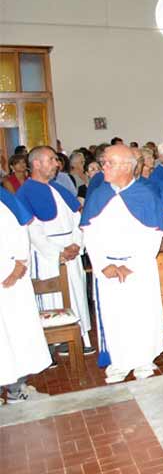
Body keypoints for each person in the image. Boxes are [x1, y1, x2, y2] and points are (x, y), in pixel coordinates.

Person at [80, 145, 163, 383]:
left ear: (127, 166)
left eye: (109, 163)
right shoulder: (99, 194)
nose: (103, 167)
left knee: (141, 314)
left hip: (138, 267)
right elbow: (89, 234)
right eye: (104, 162)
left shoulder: (145, 194)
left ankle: (142, 359)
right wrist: (102, 264)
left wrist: (133, 264)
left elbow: (153, 235)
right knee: (114, 316)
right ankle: (118, 362)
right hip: (107, 268)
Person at [17, 146, 93, 353]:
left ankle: (81, 336)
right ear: (36, 164)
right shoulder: (25, 193)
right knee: (53, 298)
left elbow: (78, 217)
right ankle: (56, 342)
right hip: (48, 256)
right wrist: (57, 253)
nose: (57, 163)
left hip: (72, 251)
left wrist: (78, 243)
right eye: (51, 159)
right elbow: (31, 229)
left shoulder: (58, 188)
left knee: (77, 293)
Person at [0, 186, 51, 403]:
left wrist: (19, 263)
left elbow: (20, 230)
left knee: (16, 333)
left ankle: (16, 388)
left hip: (11, 277)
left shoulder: (5, 199)